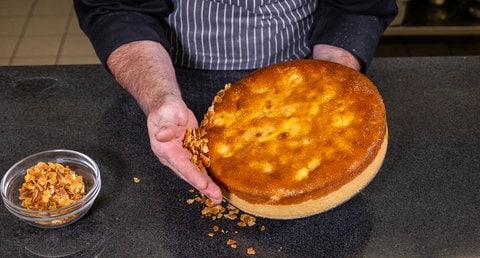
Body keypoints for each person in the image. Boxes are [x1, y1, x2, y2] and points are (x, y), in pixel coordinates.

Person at [74, 0, 398, 205]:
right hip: (168, 78)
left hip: (305, 69)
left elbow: (356, 5)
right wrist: (161, 97)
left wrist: (330, 85)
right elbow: (117, 6)